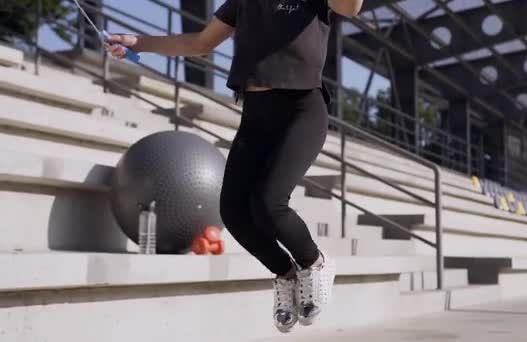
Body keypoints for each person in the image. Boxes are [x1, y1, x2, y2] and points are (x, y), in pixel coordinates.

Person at [106, 0, 363, 333]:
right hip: (256, 114)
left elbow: (352, 7)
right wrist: (138, 44)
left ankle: (315, 263)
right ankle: (285, 273)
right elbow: (200, 43)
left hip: (301, 110)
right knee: (233, 212)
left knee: (269, 203)